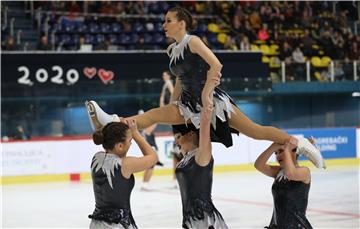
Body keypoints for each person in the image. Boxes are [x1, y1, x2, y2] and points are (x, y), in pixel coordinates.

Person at [85, 6, 325, 169]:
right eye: (164, 21)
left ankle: (301, 143)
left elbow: (216, 64)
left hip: (212, 102)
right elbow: (180, 78)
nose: (163, 24)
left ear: (181, 23)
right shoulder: (173, 50)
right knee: (152, 115)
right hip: (188, 104)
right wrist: (173, 103)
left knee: (256, 131)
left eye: (168, 20)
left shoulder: (193, 41)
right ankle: (112, 121)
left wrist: (208, 93)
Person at [173, 77, 228, 228]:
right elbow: (172, 106)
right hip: (191, 220)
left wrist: (208, 91)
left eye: (178, 136)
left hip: (206, 221)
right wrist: (180, 77)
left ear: (190, 134)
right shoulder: (186, 159)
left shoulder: (201, 155)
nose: (176, 141)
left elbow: (204, 121)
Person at [88, 119, 158, 229]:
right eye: (130, 140)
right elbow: (153, 157)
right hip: (117, 225)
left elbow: (108, 134)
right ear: (120, 146)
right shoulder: (125, 164)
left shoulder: (96, 158)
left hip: (96, 224)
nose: (131, 143)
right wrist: (135, 133)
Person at [254, 141, 314, 229]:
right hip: (276, 226)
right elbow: (258, 165)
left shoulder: (304, 171)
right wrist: (272, 147)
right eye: (276, 153)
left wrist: (287, 148)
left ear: (294, 152)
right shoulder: (278, 172)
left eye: (281, 151)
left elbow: (290, 174)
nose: (278, 156)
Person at [138, 110, 164, 191]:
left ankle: (144, 183)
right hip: (151, 149)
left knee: (149, 167)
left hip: (149, 148)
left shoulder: (142, 130)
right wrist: (154, 117)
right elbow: (154, 124)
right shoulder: (145, 130)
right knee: (150, 167)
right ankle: (145, 183)